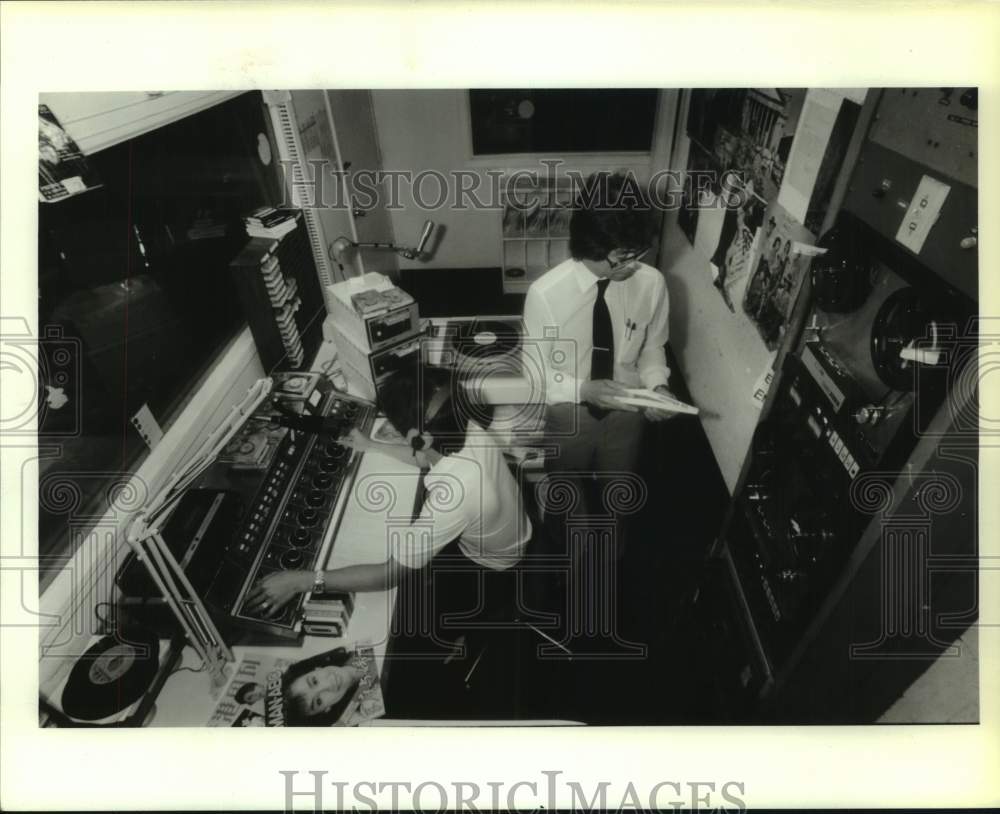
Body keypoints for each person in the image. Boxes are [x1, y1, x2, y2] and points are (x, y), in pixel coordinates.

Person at [245, 366, 534, 639]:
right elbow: (425, 455)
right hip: (517, 526)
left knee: (414, 618)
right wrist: (370, 445)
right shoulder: (463, 423)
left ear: (417, 436)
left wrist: (303, 581)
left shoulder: (454, 495)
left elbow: (389, 575)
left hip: (495, 567)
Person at [523, 171, 676, 568]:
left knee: (618, 501)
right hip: (567, 414)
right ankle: (561, 556)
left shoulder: (652, 283)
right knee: (566, 497)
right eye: (625, 256)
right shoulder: (545, 295)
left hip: (627, 413)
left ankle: (609, 568)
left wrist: (657, 387)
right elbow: (535, 376)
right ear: (595, 246)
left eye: (638, 253)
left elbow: (653, 347)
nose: (635, 265)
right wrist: (583, 390)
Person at [281, 647, 366, 726]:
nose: (328, 685)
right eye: (318, 701)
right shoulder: (368, 708)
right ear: (326, 709)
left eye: (314, 681)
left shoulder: (353, 647)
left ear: (317, 668)